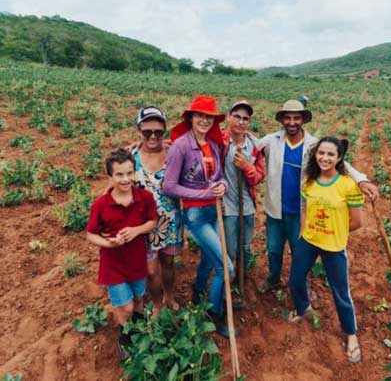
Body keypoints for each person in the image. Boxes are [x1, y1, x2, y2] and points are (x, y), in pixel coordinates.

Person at [257, 99, 378, 293]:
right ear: (282, 121)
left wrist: (361, 180)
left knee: (300, 252)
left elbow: (341, 163)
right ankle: (273, 279)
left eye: (296, 118)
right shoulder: (272, 141)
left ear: (303, 120)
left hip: (303, 211)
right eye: (287, 118)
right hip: (275, 208)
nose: (292, 122)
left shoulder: (314, 145)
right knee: (273, 249)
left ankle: (302, 286)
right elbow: (249, 147)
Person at [161, 95, 233, 338]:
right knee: (226, 268)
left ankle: (198, 291)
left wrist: (222, 185)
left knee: (207, 260)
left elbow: (220, 176)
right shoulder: (181, 146)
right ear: (190, 118)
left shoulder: (212, 145)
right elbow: (168, 186)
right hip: (195, 214)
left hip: (214, 210)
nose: (204, 120)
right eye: (199, 115)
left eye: (208, 117)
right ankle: (214, 312)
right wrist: (202, 192)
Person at [288, 137, 364, 363]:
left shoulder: (347, 185)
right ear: (315, 154)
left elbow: (357, 222)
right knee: (295, 280)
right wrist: (304, 230)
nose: (325, 158)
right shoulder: (309, 182)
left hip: (334, 246)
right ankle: (303, 308)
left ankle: (351, 335)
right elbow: (305, 208)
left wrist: (335, 230)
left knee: (340, 292)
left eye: (331, 154)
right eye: (321, 153)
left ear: (339, 158)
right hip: (309, 241)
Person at [85, 149, 158, 359]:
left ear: (135, 173)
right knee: (124, 306)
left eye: (129, 173)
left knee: (138, 298)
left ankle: (140, 328)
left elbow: (152, 222)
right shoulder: (101, 204)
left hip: (136, 261)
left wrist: (135, 230)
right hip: (113, 264)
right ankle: (125, 336)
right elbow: (91, 234)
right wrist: (109, 243)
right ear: (110, 177)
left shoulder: (144, 198)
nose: (125, 179)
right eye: (119, 174)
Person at [132, 106, 182, 316]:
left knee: (168, 263)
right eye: (147, 132)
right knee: (151, 271)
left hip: (170, 221)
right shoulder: (130, 156)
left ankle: (169, 295)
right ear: (138, 130)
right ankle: (157, 303)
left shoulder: (174, 153)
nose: (153, 137)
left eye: (158, 132)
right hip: (144, 225)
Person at [221, 100, 265, 306]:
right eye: (237, 116)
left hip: (247, 205)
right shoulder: (219, 141)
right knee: (230, 248)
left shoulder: (254, 146)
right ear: (229, 117)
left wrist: (247, 166)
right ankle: (227, 286)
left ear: (249, 122)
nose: (240, 121)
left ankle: (242, 279)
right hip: (228, 206)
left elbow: (258, 177)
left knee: (245, 247)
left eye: (245, 118)